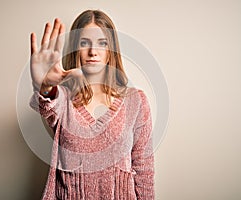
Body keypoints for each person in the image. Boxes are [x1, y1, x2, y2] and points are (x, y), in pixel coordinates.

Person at [29, 9, 154, 200]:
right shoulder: (64, 100)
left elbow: (144, 169)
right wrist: (44, 86)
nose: (93, 52)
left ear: (111, 50)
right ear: (75, 49)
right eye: (84, 43)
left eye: (102, 43)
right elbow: (48, 104)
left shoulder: (135, 101)